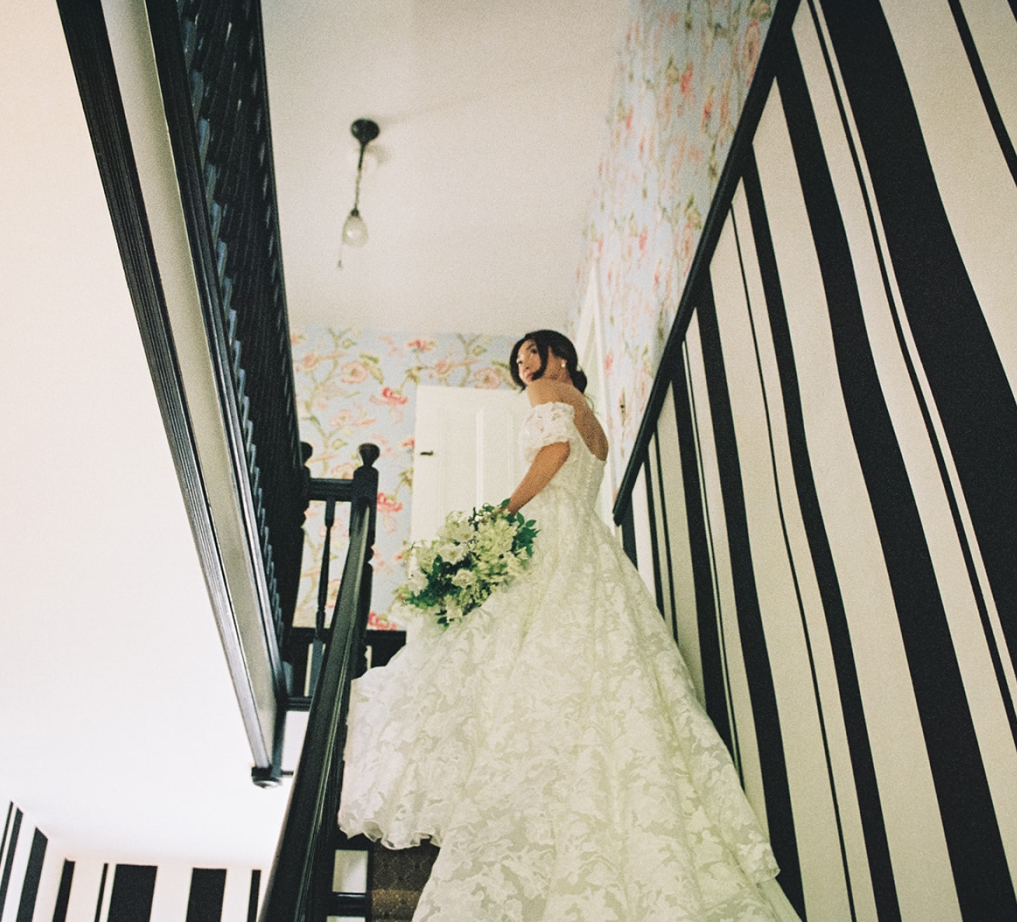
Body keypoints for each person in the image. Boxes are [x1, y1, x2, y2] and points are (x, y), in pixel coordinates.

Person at [337, 330, 801, 921]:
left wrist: (503, 513)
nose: (525, 365)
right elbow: (586, 463)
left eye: (533, 352)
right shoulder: (595, 417)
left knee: (514, 643)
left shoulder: (549, 392)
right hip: (591, 544)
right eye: (520, 359)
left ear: (560, 357)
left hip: (552, 536)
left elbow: (553, 456)